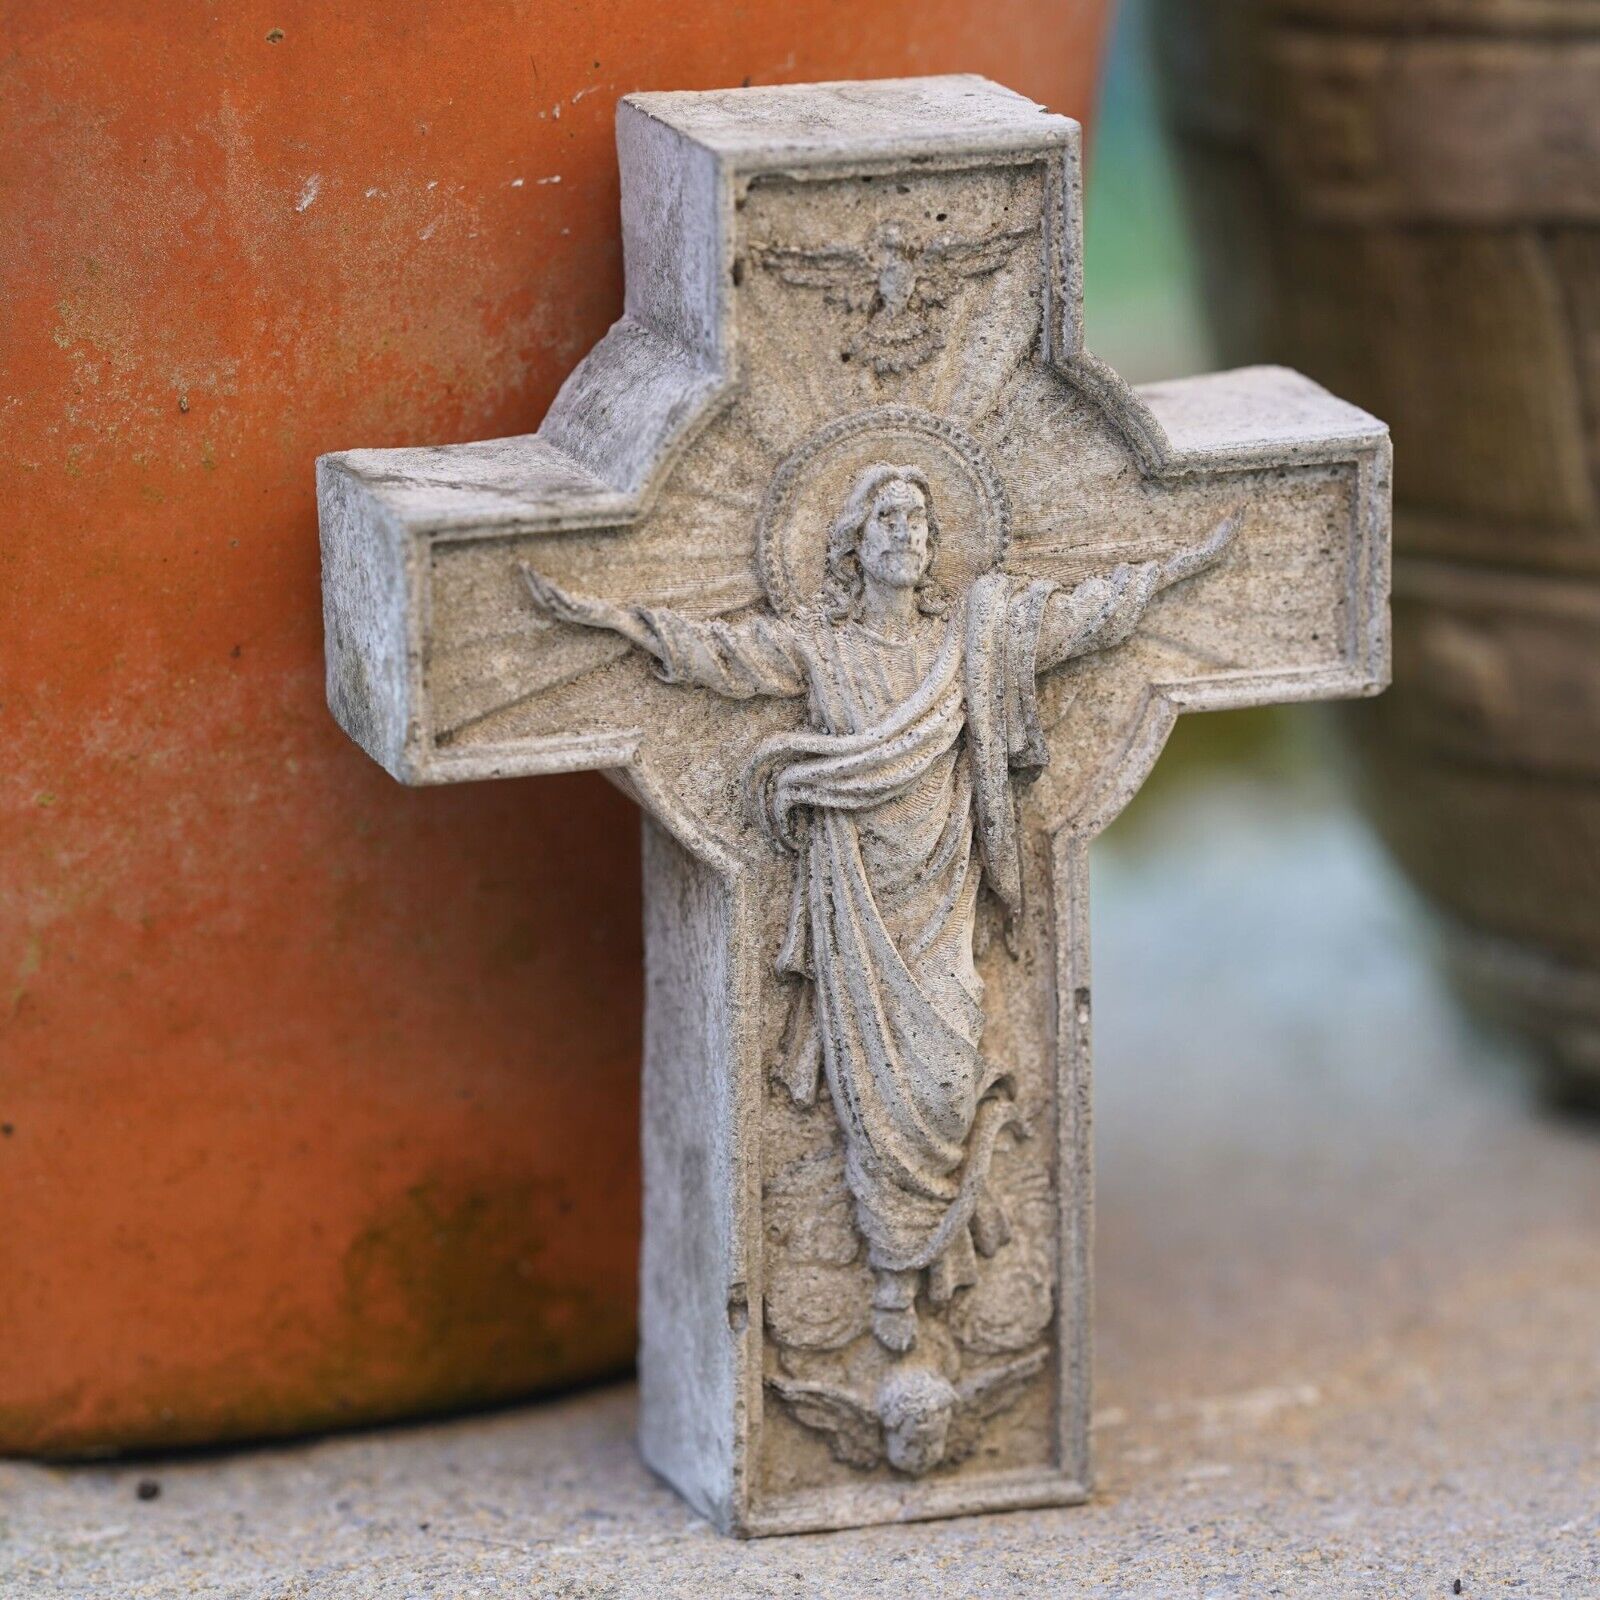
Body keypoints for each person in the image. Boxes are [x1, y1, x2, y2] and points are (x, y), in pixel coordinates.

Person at [524, 463, 1235, 1352]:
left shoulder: (976, 641)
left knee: (946, 1079)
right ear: (852, 545)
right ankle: (896, 1274)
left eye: (919, 520)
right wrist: (604, 618)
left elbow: (1083, 617)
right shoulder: (821, 651)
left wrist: (1181, 565)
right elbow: (720, 656)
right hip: (857, 905)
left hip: (942, 901)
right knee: (867, 1094)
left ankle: (933, 1250)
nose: (906, 532)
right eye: (887, 518)